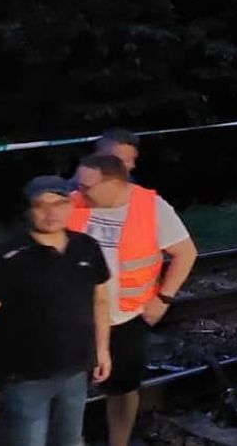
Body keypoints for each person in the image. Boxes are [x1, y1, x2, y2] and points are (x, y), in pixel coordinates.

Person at [70, 154, 199, 446]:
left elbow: (185, 253)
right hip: (76, 316)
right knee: (69, 390)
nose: (80, 191)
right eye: (78, 184)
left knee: (123, 386)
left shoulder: (151, 207)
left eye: (87, 186)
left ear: (114, 183)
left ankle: (119, 442)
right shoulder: (74, 202)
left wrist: (163, 299)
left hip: (126, 316)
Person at [0, 177, 112, 446]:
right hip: (22, 380)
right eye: (41, 205)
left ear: (70, 206)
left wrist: (102, 350)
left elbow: (101, 301)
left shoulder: (86, 247)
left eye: (60, 203)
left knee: (69, 441)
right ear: (28, 211)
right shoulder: (6, 257)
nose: (51, 212)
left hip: (75, 373)